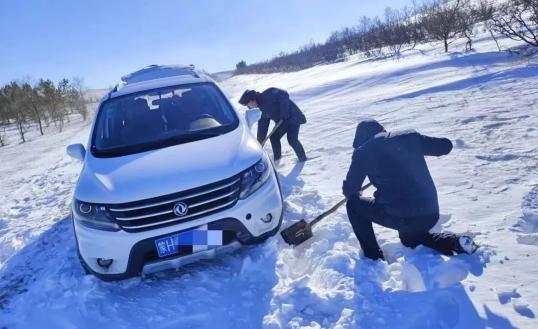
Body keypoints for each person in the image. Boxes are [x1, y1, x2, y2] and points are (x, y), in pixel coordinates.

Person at [342, 119, 477, 260]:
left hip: (401, 217)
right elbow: (445, 146)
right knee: (409, 239)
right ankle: (454, 242)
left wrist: (358, 186)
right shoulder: (410, 137)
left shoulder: (363, 152)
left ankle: (373, 256)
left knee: (353, 205)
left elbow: (350, 192)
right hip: (429, 214)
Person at [239, 88, 307, 162]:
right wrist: (260, 143)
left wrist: (284, 112)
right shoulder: (262, 108)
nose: (249, 107)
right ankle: (277, 159)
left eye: (248, 105)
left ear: (252, 100)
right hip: (283, 122)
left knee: (292, 139)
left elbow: (284, 94)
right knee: (274, 137)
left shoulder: (268, 94)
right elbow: (263, 125)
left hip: (294, 117)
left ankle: (302, 158)